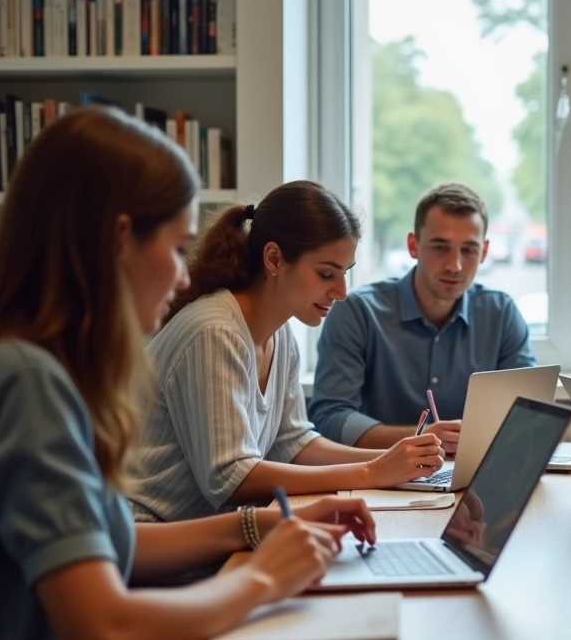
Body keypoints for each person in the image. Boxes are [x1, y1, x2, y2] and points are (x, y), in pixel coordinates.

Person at [0, 107, 375, 640]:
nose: (187, 274)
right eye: (179, 248)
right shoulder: (25, 382)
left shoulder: (33, 366)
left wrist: (255, 528)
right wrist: (261, 581)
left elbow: (113, 539)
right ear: (119, 238)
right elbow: (107, 636)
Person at [128, 181, 442, 524]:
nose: (341, 292)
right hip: (147, 541)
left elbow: (293, 444)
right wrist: (370, 472)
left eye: (344, 274)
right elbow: (230, 478)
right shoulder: (216, 331)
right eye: (326, 274)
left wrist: (397, 459)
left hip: (202, 537)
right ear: (274, 258)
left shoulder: (280, 332)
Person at [309, 182, 537, 456]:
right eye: (440, 247)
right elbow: (330, 417)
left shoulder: (501, 313)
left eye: (469, 250)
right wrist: (420, 438)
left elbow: (529, 413)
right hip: (381, 479)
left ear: (485, 252)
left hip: (478, 478)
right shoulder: (357, 311)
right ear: (413, 245)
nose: (455, 265)